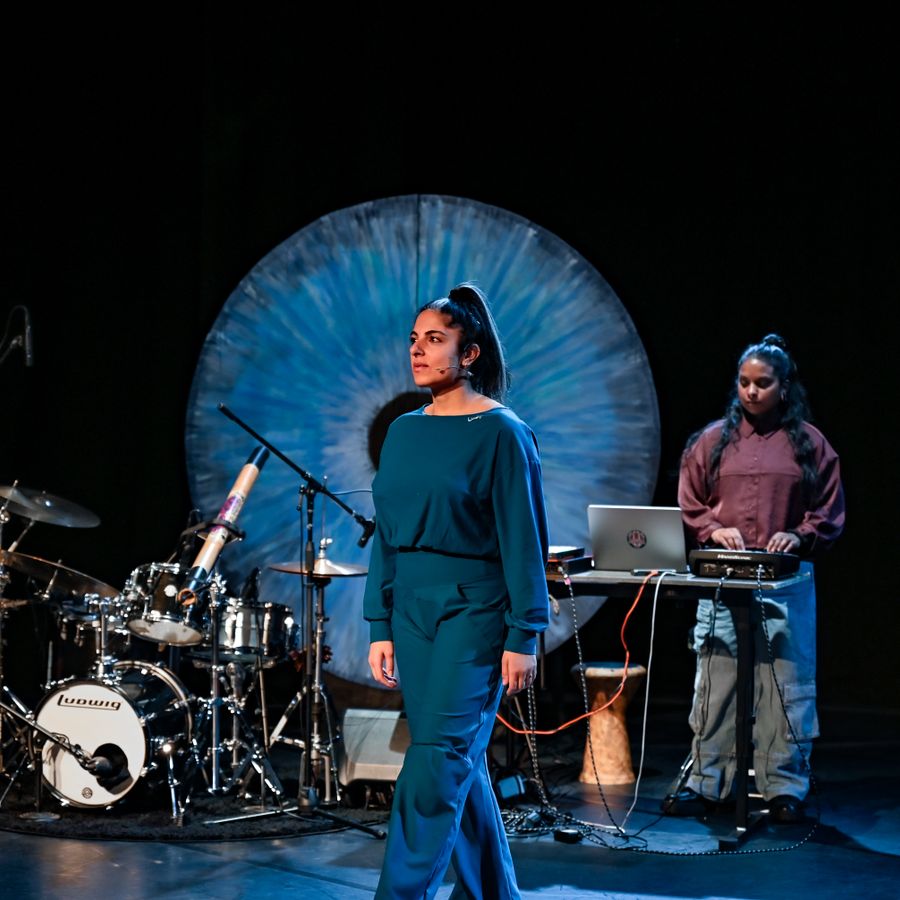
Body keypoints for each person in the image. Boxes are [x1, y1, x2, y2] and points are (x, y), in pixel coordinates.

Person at [364, 281, 550, 899]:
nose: (418, 350)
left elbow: (523, 538)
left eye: (435, 339)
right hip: (412, 611)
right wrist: (380, 623)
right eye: (414, 339)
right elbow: (387, 535)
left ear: (469, 354)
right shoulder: (403, 431)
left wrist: (525, 632)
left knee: (436, 763)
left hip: (475, 609)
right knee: (452, 764)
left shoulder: (502, 432)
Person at [663, 334, 845, 824]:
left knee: (785, 684)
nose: (751, 391)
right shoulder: (712, 441)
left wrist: (799, 534)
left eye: (762, 383)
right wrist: (712, 528)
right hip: (723, 581)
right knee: (717, 682)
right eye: (744, 382)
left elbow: (829, 510)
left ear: (783, 387)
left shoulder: (810, 444)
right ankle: (709, 781)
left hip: (785, 582)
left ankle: (783, 785)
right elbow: (690, 502)